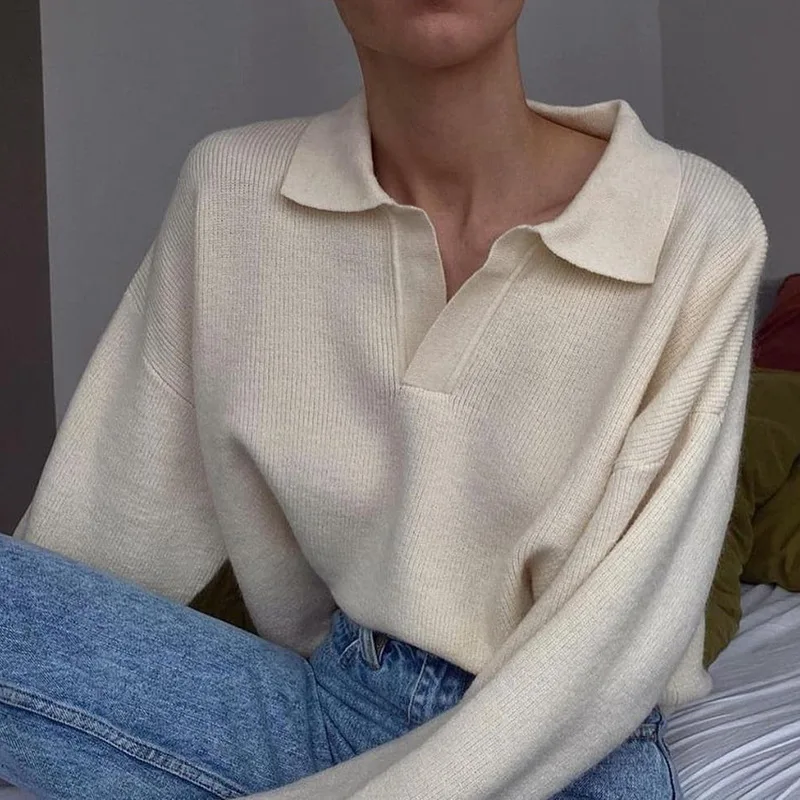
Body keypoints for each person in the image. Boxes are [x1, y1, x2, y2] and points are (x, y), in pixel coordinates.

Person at [1, 1, 767, 798]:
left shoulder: (695, 225)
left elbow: (608, 656)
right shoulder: (233, 190)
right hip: (324, 706)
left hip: (568, 757)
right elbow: (100, 532)